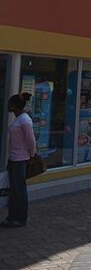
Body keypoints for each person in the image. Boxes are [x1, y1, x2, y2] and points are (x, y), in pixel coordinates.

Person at [3, 93, 36, 228]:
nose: (8, 106)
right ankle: (11, 216)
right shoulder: (18, 119)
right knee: (13, 190)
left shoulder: (25, 120)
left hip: (20, 160)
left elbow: (31, 141)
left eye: (10, 104)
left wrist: (31, 156)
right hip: (13, 159)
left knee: (19, 190)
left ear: (15, 106)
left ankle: (20, 218)